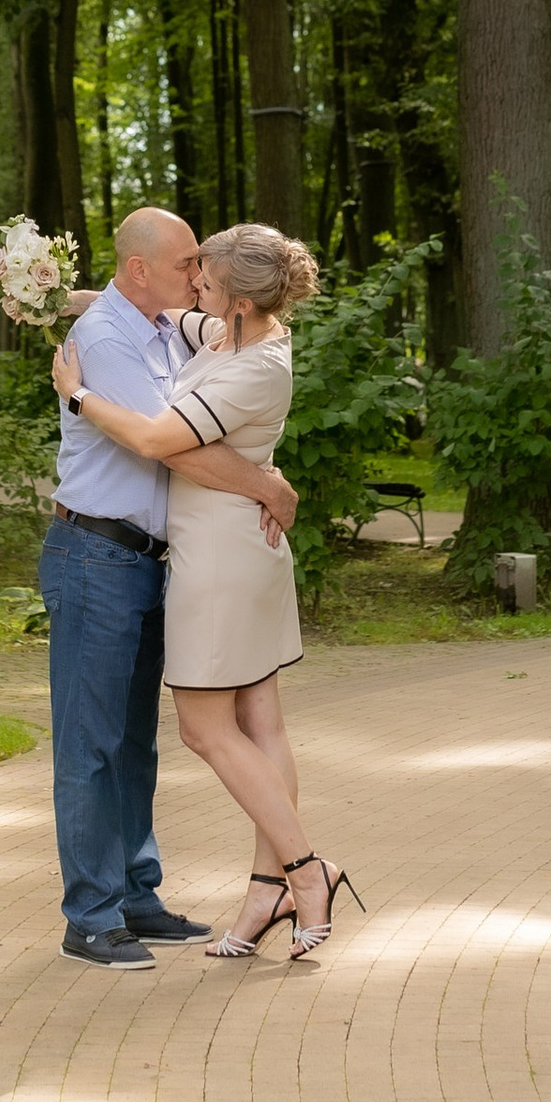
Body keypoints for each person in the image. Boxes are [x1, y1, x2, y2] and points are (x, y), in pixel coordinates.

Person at [52, 220, 360, 966]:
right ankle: (264, 889)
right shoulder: (228, 333)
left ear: (239, 300)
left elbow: (161, 445)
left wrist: (78, 393)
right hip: (217, 550)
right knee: (258, 724)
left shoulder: (250, 364)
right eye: (189, 268)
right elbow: (150, 306)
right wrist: (67, 296)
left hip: (219, 559)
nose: (195, 283)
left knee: (204, 730)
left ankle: (304, 871)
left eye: (207, 276)